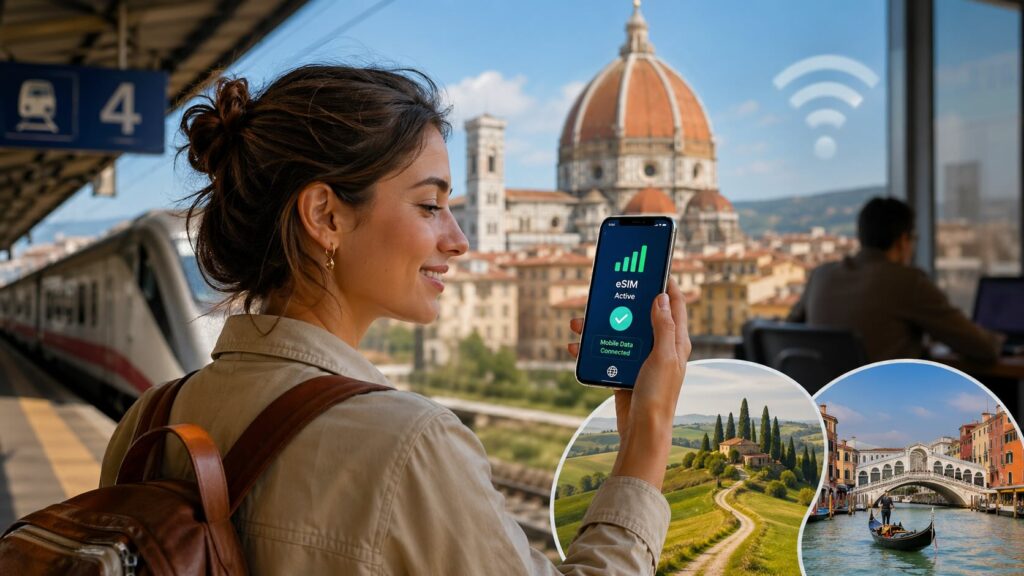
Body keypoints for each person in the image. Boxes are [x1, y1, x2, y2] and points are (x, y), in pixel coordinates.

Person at [98, 65, 692, 575]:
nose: (458, 240)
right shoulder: (412, 444)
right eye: (431, 206)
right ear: (325, 215)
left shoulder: (148, 421)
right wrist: (649, 431)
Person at [787, 196, 1001, 363]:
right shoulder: (909, 282)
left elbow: (787, 330)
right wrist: (999, 341)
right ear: (902, 241)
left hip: (827, 402)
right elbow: (981, 348)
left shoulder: (821, 275)